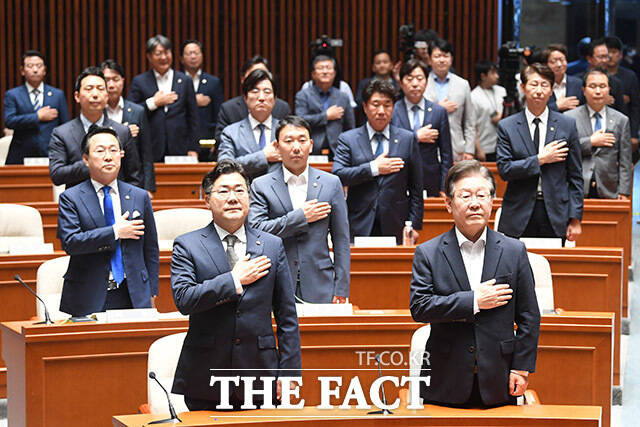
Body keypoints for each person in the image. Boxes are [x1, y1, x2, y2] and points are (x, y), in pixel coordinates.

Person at [170, 159, 301, 410]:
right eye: (223, 191)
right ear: (207, 200)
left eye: (240, 190)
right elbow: (184, 299)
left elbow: (286, 316)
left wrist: (290, 371)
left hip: (260, 372)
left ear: (249, 198)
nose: (233, 198)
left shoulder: (272, 245)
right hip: (206, 374)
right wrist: (234, 280)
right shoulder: (188, 245)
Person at [410, 160, 540, 407]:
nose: (474, 203)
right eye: (465, 195)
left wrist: (521, 368)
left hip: (500, 377)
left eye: (482, 195)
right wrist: (473, 301)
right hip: (444, 378)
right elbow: (420, 307)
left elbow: (529, 316)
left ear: (492, 201)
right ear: (448, 203)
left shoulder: (514, 251)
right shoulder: (428, 253)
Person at [56, 126, 159, 316]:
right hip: (88, 294)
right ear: (86, 159)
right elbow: (70, 243)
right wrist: (114, 232)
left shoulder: (139, 196)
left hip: (133, 294)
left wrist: (151, 291)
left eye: (113, 150)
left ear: (121, 155)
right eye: (100, 150)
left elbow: (150, 248)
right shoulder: (71, 197)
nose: (108, 156)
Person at [249, 116, 350, 303]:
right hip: (274, 282)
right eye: (288, 141)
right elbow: (256, 231)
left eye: (302, 140)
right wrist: (299, 217)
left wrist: (341, 288)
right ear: (277, 146)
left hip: (321, 283)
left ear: (310, 145)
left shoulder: (331, 183)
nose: (296, 147)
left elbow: (341, 240)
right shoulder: (260, 185)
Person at [496, 63, 583, 241]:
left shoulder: (567, 125)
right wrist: (540, 159)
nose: (539, 90)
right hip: (518, 211)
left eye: (544, 85)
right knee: (515, 266)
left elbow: (575, 176)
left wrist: (575, 218)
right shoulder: (508, 126)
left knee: (554, 267)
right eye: (533, 84)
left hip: (556, 212)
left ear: (551, 90)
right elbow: (505, 170)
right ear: (523, 87)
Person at [332, 78, 423, 244]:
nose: (381, 110)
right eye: (375, 104)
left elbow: (416, 188)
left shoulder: (407, 139)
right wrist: (374, 168)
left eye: (387, 105)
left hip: (396, 222)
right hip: (359, 221)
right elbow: (338, 175)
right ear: (365, 107)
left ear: (393, 107)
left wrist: (415, 225)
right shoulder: (349, 139)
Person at [49, 67, 141, 189]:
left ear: (107, 96)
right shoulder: (62, 133)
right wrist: (91, 162)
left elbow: (134, 177)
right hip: (78, 204)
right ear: (77, 96)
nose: (95, 94)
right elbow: (57, 175)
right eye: (89, 89)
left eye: (100, 89)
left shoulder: (122, 132)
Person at [128, 34, 199, 161]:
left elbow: (193, 117)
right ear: (149, 56)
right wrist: (153, 103)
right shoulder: (139, 81)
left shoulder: (184, 80)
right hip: (150, 147)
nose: (164, 57)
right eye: (158, 53)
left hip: (180, 147)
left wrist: (193, 148)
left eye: (167, 52)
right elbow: (131, 113)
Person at [565, 68, 632, 199]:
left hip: (609, 188)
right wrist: (590, 142)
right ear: (583, 90)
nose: (597, 91)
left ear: (609, 90)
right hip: (575, 186)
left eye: (602, 86)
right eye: (592, 86)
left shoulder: (621, 120)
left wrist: (623, 191)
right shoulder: (569, 118)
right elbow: (565, 150)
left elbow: (625, 160)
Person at [391, 59, 452, 197]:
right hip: (399, 177)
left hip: (431, 178)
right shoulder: (393, 111)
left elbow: (446, 154)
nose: (415, 84)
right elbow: (390, 144)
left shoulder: (438, 112)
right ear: (401, 83)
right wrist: (416, 136)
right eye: (409, 79)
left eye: (419, 78)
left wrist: (444, 186)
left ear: (426, 81)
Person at [100, 59, 156, 195]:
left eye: (116, 79)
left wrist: (149, 187)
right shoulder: (96, 111)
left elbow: (146, 153)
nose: (111, 85)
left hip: (132, 179)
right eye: (107, 80)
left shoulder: (137, 111)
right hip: (103, 179)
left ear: (123, 81)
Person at [4, 50, 69, 164]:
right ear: (22, 71)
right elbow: (9, 121)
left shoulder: (57, 95)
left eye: (39, 66)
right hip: (20, 154)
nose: (35, 70)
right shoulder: (13, 94)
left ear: (44, 70)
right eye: (30, 66)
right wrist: (37, 117)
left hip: (51, 154)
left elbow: (65, 126)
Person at [217, 70, 281, 179]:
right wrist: (263, 156)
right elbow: (224, 166)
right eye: (255, 91)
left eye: (267, 91)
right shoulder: (231, 132)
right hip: (243, 192)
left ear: (274, 99)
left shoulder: (286, 131)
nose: (261, 97)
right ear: (245, 98)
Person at [214, 55, 291, 144]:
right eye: (254, 74)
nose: (261, 97)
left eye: (263, 74)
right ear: (243, 79)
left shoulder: (282, 107)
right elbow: (221, 143)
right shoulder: (228, 109)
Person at [424, 39, 475, 161]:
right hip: (428, 147)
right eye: (437, 56)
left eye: (445, 56)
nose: (442, 60)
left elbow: (470, 122)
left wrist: (469, 150)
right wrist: (439, 109)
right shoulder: (422, 83)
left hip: (456, 147)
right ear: (430, 60)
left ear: (451, 59)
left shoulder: (462, 84)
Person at [295, 55, 355, 156]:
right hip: (310, 149)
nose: (325, 71)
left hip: (338, 149)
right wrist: (326, 116)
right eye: (320, 68)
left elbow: (350, 126)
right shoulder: (303, 95)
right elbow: (300, 121)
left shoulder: (342, 97)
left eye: (328, 68)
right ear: (313, 74)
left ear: (334, 73)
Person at [180, 40, 224, 150]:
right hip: (181, 140)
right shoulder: (175, 81)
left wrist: (216, 140)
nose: (193, 56)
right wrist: (194, 101)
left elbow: (219, 114)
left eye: (196, 53)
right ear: (181, 58)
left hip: (206, 140)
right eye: (189, 53)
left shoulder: (213, 82)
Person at [604, 36, 640, 151]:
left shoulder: (630, 76)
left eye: (613, 52)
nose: (610, 55)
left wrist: (634, 133)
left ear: (620, 55)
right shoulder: (596, 75)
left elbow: (635, 107)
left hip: (624, 127)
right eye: (607, 52)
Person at [470, 60, 506, 162]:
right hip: (485, 146)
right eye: (493, 73)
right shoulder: (474, 96)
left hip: (503, 145)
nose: (497, 76)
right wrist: (479, 150)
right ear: (483, 76)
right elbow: (472, 126)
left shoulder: (502, 91)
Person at [584, 38, 626, 114]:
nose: (604, 60)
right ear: (589, 59)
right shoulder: (578, 81)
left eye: (606, 57)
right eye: (600, 57)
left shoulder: (615, 83)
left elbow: (622, 112)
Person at [542, 44, 583, 112]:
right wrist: (556, 106)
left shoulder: (578, 83)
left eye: (562, 60)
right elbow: (536, 111)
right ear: (545, 65)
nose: (559, 65)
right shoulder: (541, 86)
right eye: (553, 61)